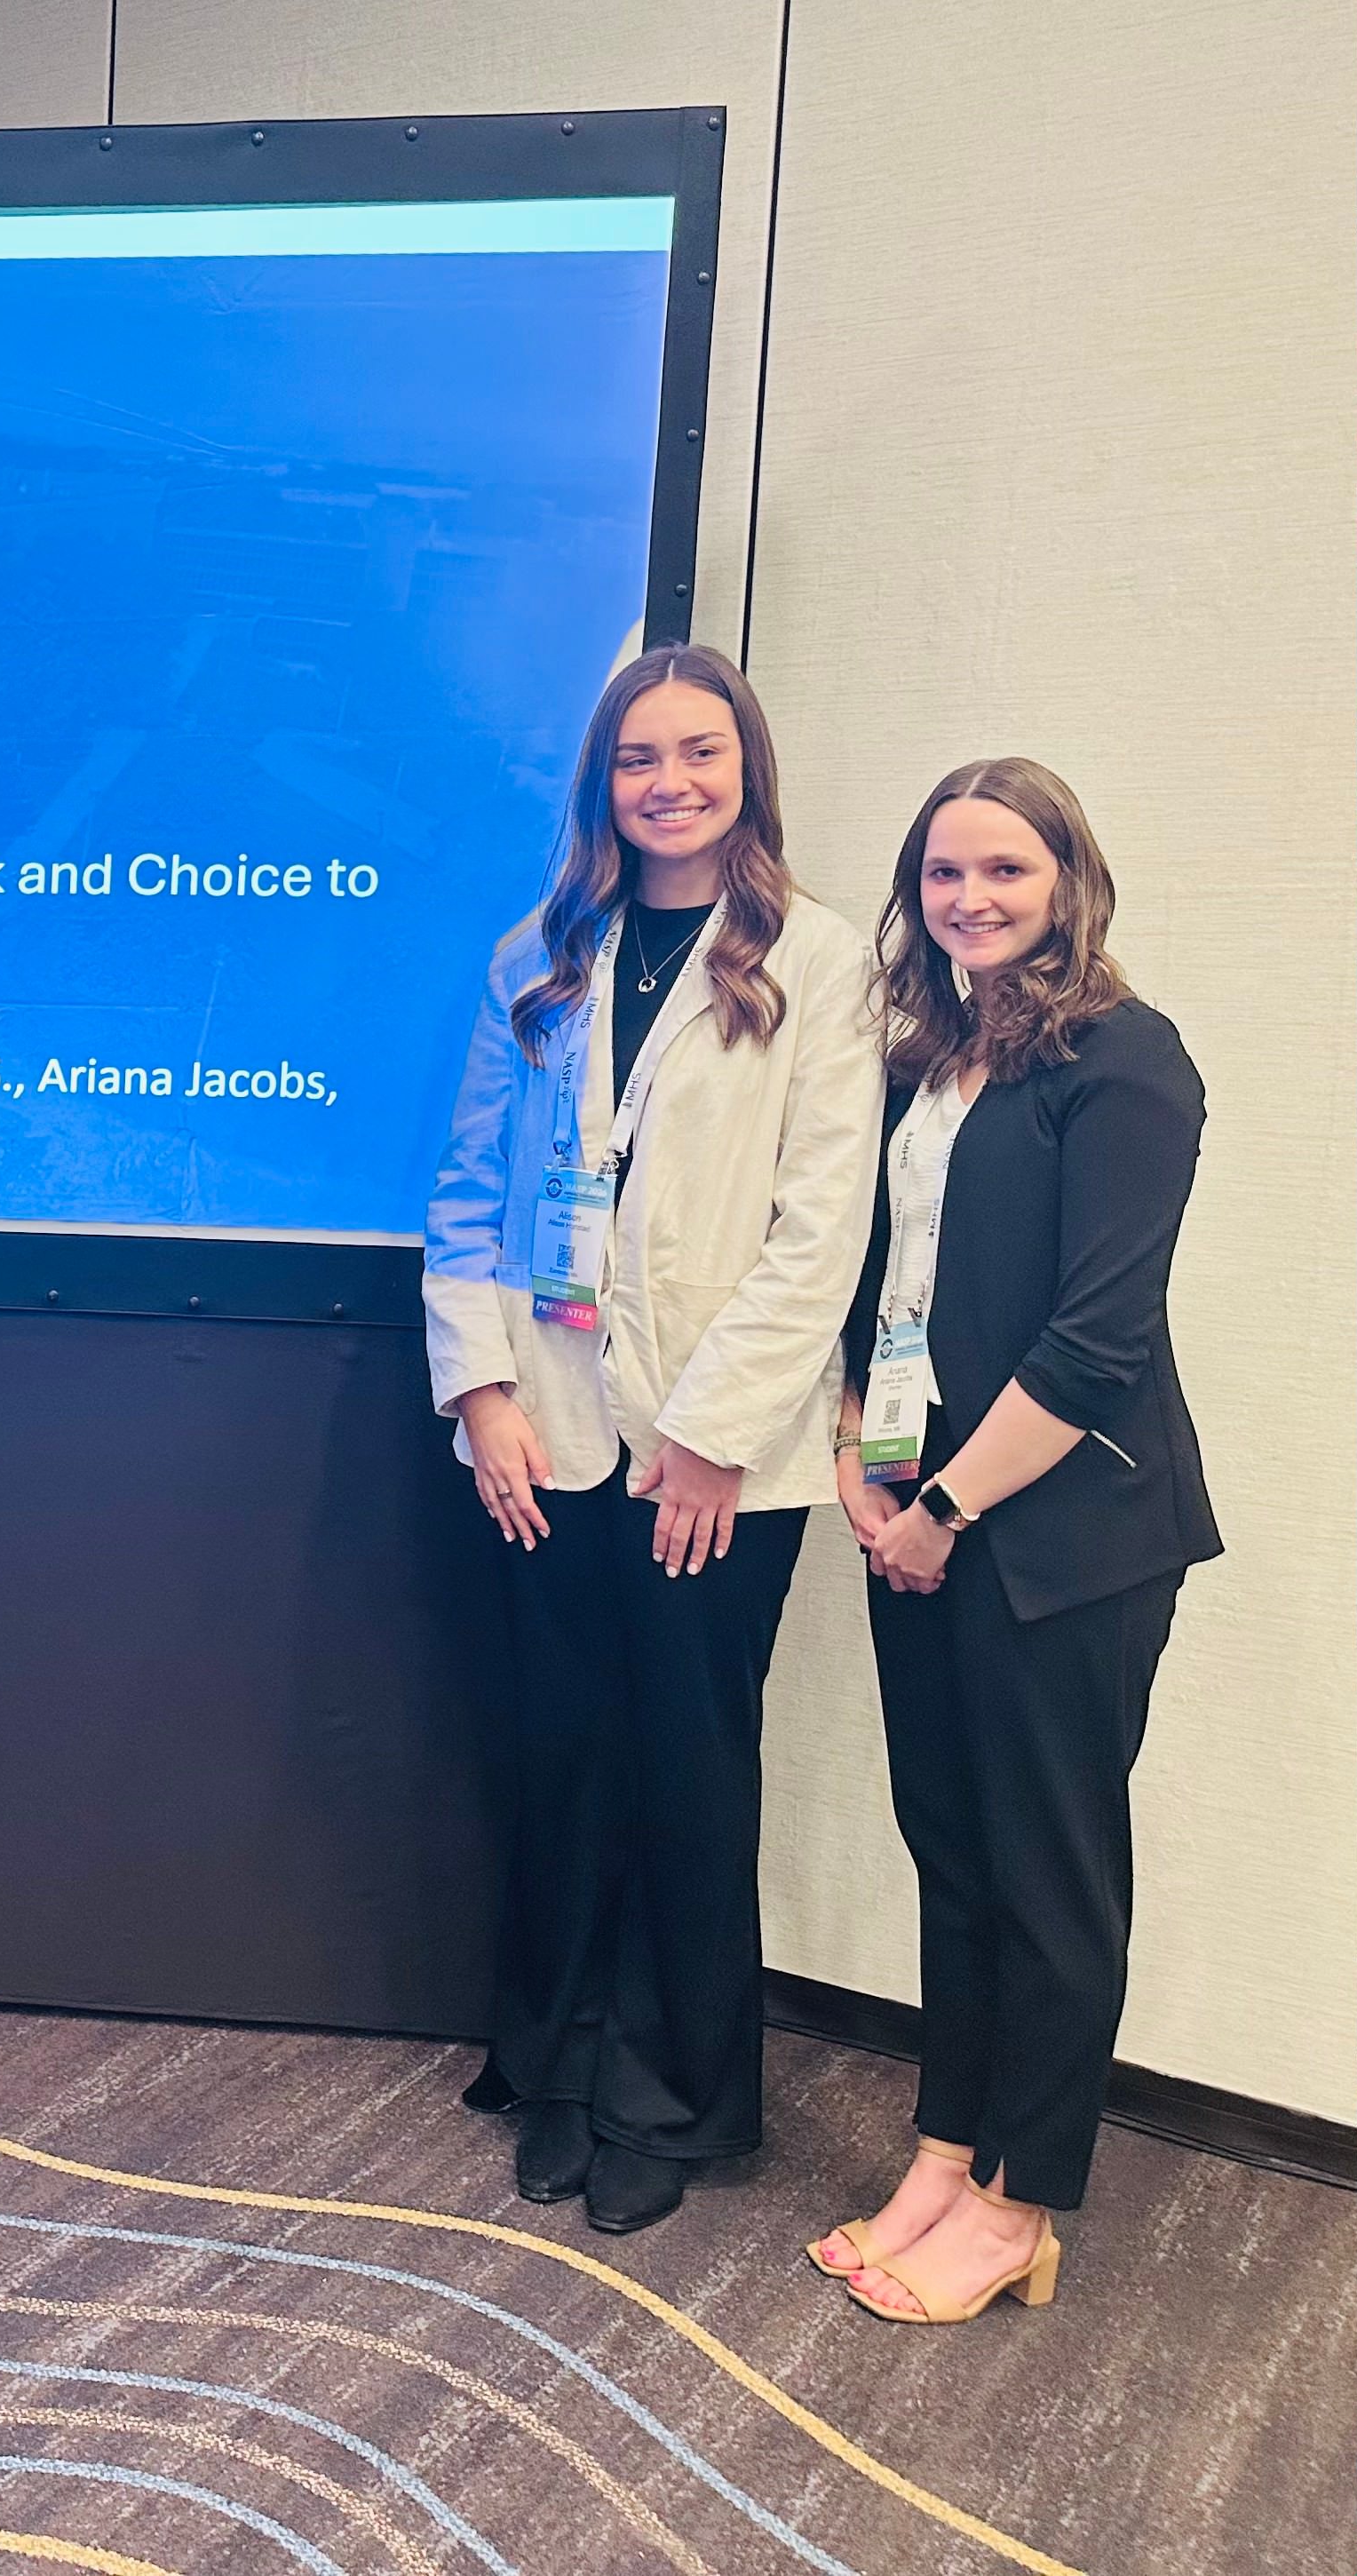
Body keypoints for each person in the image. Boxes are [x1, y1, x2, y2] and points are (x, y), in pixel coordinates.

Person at [424, 642, 879, 2233]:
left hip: (717, 1456)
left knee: (687, 1764)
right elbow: (468, 1190)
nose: (668, 782)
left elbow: (821, 1230)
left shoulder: (820, 961)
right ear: (599, 782)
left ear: (745, 771)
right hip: (547, 1428)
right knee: (562, 1753)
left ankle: (667, 2094)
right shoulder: (540, 953)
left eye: (698, 753)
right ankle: (554, 2066)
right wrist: (480, 1394)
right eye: (637, 757)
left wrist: (708, 1435)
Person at [814, 759, 1218, 2324]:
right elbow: (886, 1289)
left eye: (1005, 871)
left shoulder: (1125, 1062)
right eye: (942, 874)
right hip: (917, 1511)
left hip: (1066, 1538)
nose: (970, 899)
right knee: (954, 1851)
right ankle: (946, 2152)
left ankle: (1018, 2202)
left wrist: (942, 1513)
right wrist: (862, 1468)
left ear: (1068, 882)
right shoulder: (925, 1060)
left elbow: (1094, 1341)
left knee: (1049, 1878)